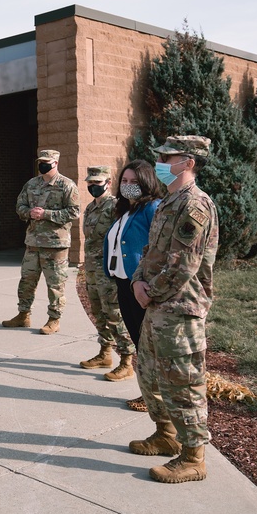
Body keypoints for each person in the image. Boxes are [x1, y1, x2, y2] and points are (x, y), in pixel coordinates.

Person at [128, 136, 218, 484]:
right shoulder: (170, 202)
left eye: (168, 157)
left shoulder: (196, 206)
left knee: (183, 383)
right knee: (149, 373)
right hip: (157, 305)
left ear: (188, 162)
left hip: (180, 309)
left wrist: (151, 293)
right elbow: (151, 251)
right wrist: (138, 281)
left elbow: (184, 264)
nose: (162, 163)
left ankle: (194, 457)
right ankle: (165, 434)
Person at [102, 160, 165, 390]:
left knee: (147, 344)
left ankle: (153, 396)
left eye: (134, 182)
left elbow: (160, 247)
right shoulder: (126, 210)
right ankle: (149, 392)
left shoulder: (152, 207)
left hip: (140, 284)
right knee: (139, 342)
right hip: (123, 283)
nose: (127, 185)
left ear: (146, 182)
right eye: (124, 181)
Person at [2, 149, 80, 334]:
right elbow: (19, 206)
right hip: (33, 242)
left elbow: (74, 212)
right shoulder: (31, 184)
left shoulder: (66, 185)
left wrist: (46, 214)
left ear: (55, 163)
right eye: (40, 161)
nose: (42, 165)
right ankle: (23, 315)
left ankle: (54, 319)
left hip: (55, 245)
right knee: (27, 281)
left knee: (55, 284)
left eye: (46, 162)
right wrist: (29, 212)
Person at [78, 166, 136, 374]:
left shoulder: (116, 207)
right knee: (98, 312)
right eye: (90, 183)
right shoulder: (91, 208)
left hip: (109, 272)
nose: (93, 186)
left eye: (98, 183)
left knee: (114, 314)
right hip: (92, 270)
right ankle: (105, 353)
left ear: (108, 183)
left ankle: (127, 361)